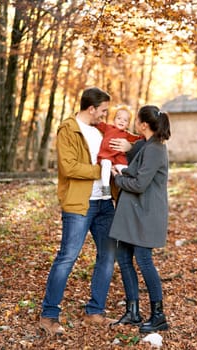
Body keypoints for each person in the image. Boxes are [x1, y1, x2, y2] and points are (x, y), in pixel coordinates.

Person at [39, 87, 117, 335]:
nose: (105, 116)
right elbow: (69, 167)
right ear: (91, 108)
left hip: (105, 203)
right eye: (102, 111)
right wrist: (101, 171)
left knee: (107, 257)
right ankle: (49, 315)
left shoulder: (99, 130)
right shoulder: (68, 129)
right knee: (67, 258)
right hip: (80, 204)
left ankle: (95, 312)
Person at [108, 105, 171, 333]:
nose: (134, 122)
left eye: (136, 119)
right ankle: (133, 311)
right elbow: (135, 170)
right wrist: (123, 172)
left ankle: (158, 315)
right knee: (124, 258)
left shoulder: (156, 149)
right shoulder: (147, 145)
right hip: (133, 214)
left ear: (144, 124)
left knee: (144, 260)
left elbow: (140, 184)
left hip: (147, 215)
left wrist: (118, 179)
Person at [95, 105, 144, 200]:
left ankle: (126, 190)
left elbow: (138, 139)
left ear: (128, 124)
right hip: (106, 156)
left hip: (118, 158)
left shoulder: (126, 134)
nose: (121, 121)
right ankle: (105, 189)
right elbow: (97, 123)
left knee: (124, 169)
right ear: (114, 120)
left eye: (125, 120)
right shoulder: (108, 128)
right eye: (119, 118)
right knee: (106, 166)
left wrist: (144, 134)